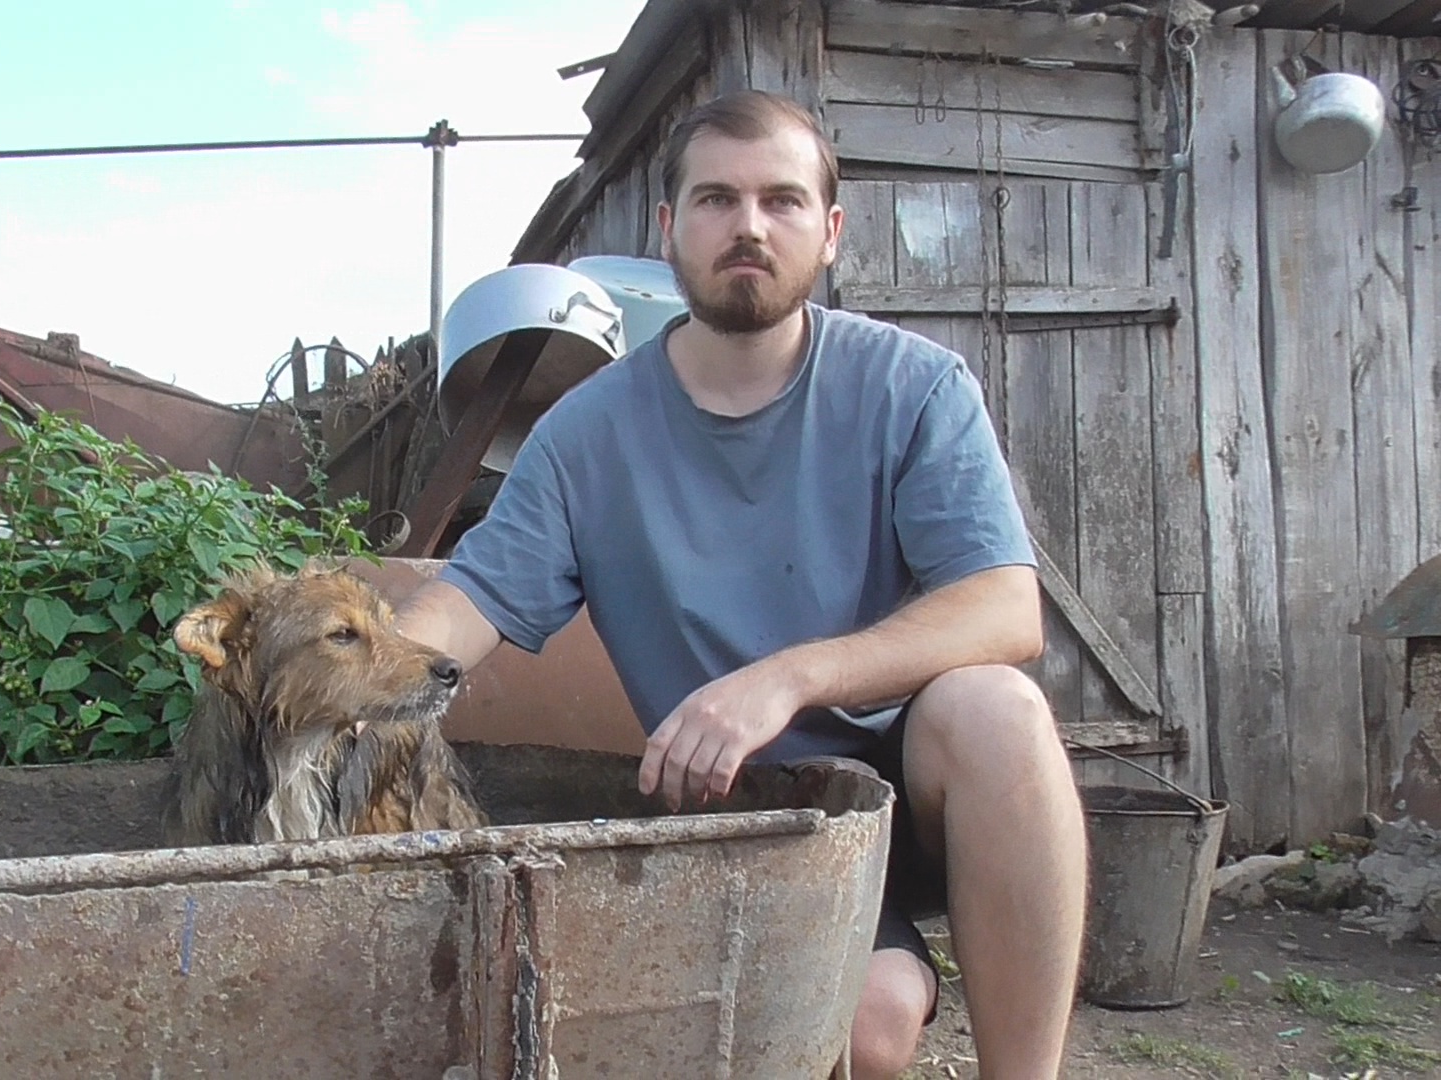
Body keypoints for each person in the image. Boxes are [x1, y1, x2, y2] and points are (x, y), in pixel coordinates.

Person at [393, 89, 1087, 1079]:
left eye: (782, 200)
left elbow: (1006, 608)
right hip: (754, 820)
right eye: (716, 199)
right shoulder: (588, 438)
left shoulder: (913, 388)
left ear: (830, 232)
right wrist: (356, 678)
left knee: (997, 708)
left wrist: (791, 676)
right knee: (866, 1030)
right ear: (670, 229)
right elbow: (471, 602)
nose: (749, 226)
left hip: (917, 802)